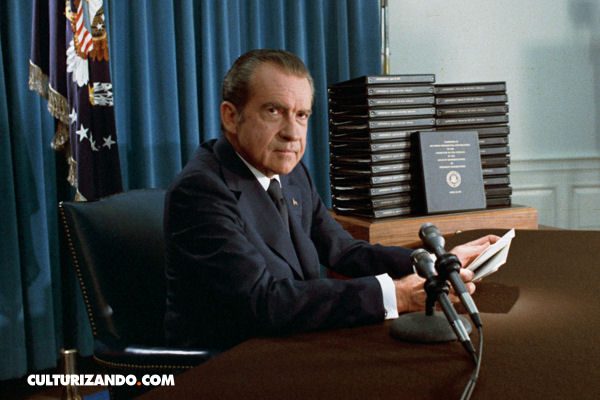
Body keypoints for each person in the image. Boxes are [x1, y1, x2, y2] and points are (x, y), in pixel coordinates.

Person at [164, 49, 498, 349]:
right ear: (230, 117)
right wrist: (396, 295)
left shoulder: (291, 171)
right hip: (229, 363)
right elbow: (262, 301)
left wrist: (432, 262)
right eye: (274, 111)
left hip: (294, 341)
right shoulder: (200, 191)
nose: (292, 133)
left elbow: (344, 251)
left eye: (301, 115)